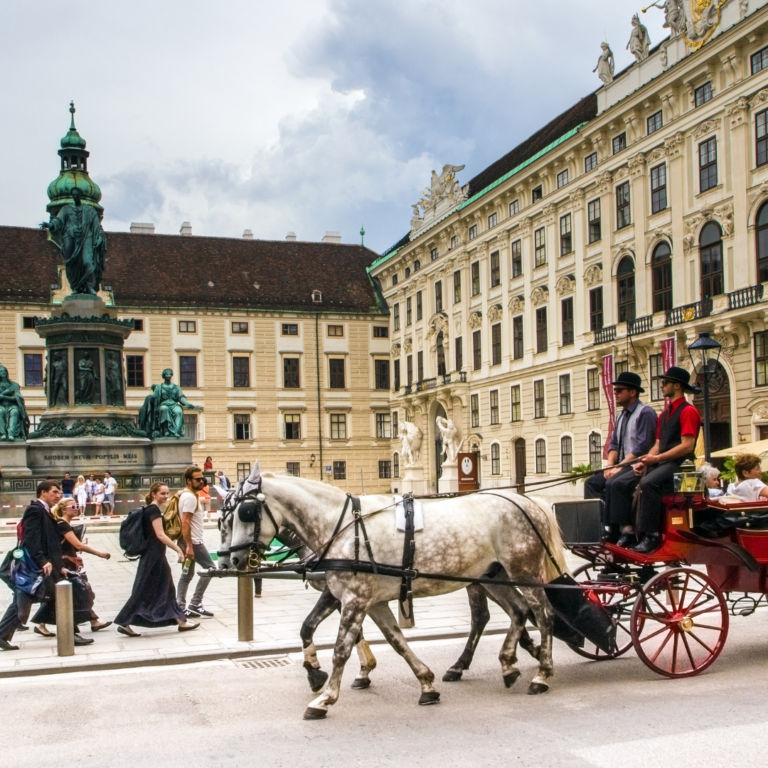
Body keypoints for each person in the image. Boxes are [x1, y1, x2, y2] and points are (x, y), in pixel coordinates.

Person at [0, 480, 92, 650]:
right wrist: (43, 561)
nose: (58, 495)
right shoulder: (35, 510)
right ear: (43, 492)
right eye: (55, 492)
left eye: (59, 492)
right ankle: (70, 635)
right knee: (32, 601)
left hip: (49, 565)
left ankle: (70, 634)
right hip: (40, 566)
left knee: (52, 598)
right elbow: (32, 539)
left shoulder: (44, 511)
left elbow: (49, 541)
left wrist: (58, 565)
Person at [630, 367, 702, 554]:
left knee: (649, 482)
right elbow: (658, 444)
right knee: (633, 482)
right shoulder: (664, 414)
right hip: (664, 462)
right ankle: (631, 531)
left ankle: (652, 535)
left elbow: (687, 446)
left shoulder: (688, 411)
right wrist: (645, 460)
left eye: (665, 383)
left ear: (677, 385)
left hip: (681, 465)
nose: (661, 386)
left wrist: (657, 458)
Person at [114, 482, 199, 637]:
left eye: (167, 493)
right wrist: (179, 549)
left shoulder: (150, 509)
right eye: (162, 493)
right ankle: (124, 621)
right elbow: (160, 535)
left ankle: (181, 621)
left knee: (162, 588)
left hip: (152, 555)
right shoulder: (153, 510)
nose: (166, 496)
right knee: (146, 589)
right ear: (154, 494)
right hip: (154, 556)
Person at [584, 371, 658, 547]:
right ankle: (602, 526)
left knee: (615, 484)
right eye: (615, 390)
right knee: (592, 483)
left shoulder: (645, 413)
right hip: (621, 465)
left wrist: (620, 466)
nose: (615, 393)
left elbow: (643, 446)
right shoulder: (620, 415)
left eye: (619, 390)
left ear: (633, 392)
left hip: (639, 465)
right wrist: (609, 466)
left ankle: (627, 531)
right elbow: (614, 444)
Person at [31, 497, 112, 637]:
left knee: (70, 594)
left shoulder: (62, 523)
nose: (75, 509)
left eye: (76, 507)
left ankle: (43, 624)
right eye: (72, 507)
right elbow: (78, 545)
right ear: (63, 509)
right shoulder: (63, 524)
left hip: (66, 562)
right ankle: (90, 622)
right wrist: (100, 553)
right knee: (82, 592)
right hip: (65, 564)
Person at [176, 466, 216, 618]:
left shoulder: (187, 495)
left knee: (187, 574)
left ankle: (180, 606)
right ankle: (194, 603)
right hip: (193, 542)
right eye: (197, 479)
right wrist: (190, 546)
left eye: (202, 478)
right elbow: (185, 522)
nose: (201, 481)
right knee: (210, 568)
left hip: (187, 541)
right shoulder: (190, 497)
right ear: (188, 481)